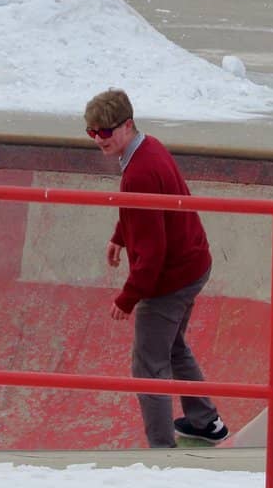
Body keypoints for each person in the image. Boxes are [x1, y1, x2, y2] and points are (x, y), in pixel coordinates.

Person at [84, 88, 228, 448]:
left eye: (105, 131)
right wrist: (120, 235)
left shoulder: (140, 171)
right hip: (193, 263)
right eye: (92, 132)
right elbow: (143, 212)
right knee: (173, 346)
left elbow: (153, 251)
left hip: (170, 279)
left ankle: (161, 451)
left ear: (127, 125)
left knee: (148, 365)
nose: (99, 139)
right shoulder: (148, 148)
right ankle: (205, 421)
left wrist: (128, 297)